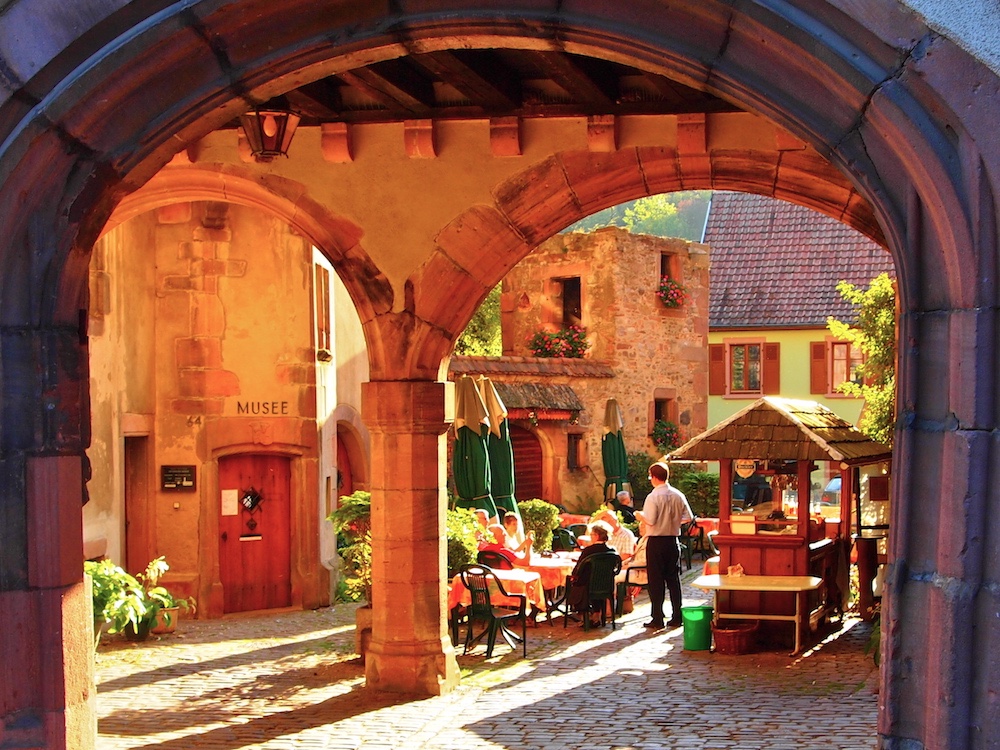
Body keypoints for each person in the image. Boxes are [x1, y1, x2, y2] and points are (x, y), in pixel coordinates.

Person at [635, 461, 693, 630]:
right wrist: (674, 522)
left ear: (653, 477)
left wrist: (640, 516)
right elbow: (688, 517)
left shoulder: (652, 497)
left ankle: (657, 617)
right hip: (672, 541)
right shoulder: (678, 494)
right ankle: (677, 616)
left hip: (656, 541)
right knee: (673, 580)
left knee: (656, 581)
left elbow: (651, 520)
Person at [566, 521, 617, 626]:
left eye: (591, 534)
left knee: (577, 582)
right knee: (594, 582)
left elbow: (578, 569)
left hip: (588, 586)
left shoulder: (588, 551)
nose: (590, 537)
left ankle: (583, 616)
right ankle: (596, 615)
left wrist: (573, 575)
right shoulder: (611, 551)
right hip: (606, 585)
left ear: (597, 536)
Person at [614, 519, 649, 614]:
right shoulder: (642, 539)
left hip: (642, 572)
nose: (640, 528)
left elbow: (645, 561)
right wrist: (624, 563)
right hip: (634, 569)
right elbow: (634, 557)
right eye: (640, 526)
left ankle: (609, 606)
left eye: (643, 526)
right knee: (613, 572)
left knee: (613, 577)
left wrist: (629, 566)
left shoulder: (649, 541)